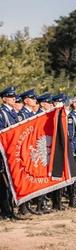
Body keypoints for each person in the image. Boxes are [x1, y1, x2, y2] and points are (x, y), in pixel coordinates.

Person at [0, 87, 19, 219]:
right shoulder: (2, 113)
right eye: (11, 97)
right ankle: (5, 211)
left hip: (12, 152)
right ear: (4, 98)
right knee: (4, 184)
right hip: (4, 153)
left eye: (14, 97)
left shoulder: (13, 113)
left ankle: (11, 209)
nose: (14, 98)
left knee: (11, 182)